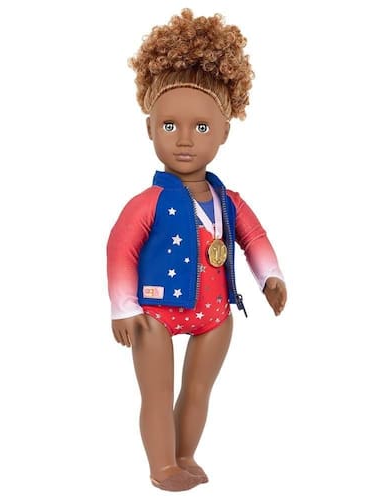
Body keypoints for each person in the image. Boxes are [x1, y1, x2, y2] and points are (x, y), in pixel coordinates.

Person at [107, 8, 287, 491]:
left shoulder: (229, 201)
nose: (184, 140)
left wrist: (270, 276)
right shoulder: (147, 203)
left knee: (199, 388)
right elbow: (120, 249)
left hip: (214, 312)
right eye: (169, 126)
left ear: (224, 131)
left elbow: (254, 238)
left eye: (202, 128)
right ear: (150, 128)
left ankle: (185, 454)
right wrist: (123, 308)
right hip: (154, 314)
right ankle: (162, 466)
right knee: (157, 392)